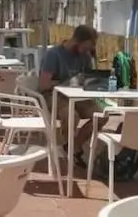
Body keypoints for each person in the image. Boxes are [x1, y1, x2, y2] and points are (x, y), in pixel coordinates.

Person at [39, 24, 100, 166]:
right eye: (84, 47)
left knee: (101, 115)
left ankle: (73, 146)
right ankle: (70, 148)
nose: (85, 51)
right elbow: (44, 84)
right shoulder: (54, 55)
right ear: (76, 40)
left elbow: (88, 78)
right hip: (54, 94)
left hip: (77, 95)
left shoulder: (85, 56)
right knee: (71, 116)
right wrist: (66, 82)